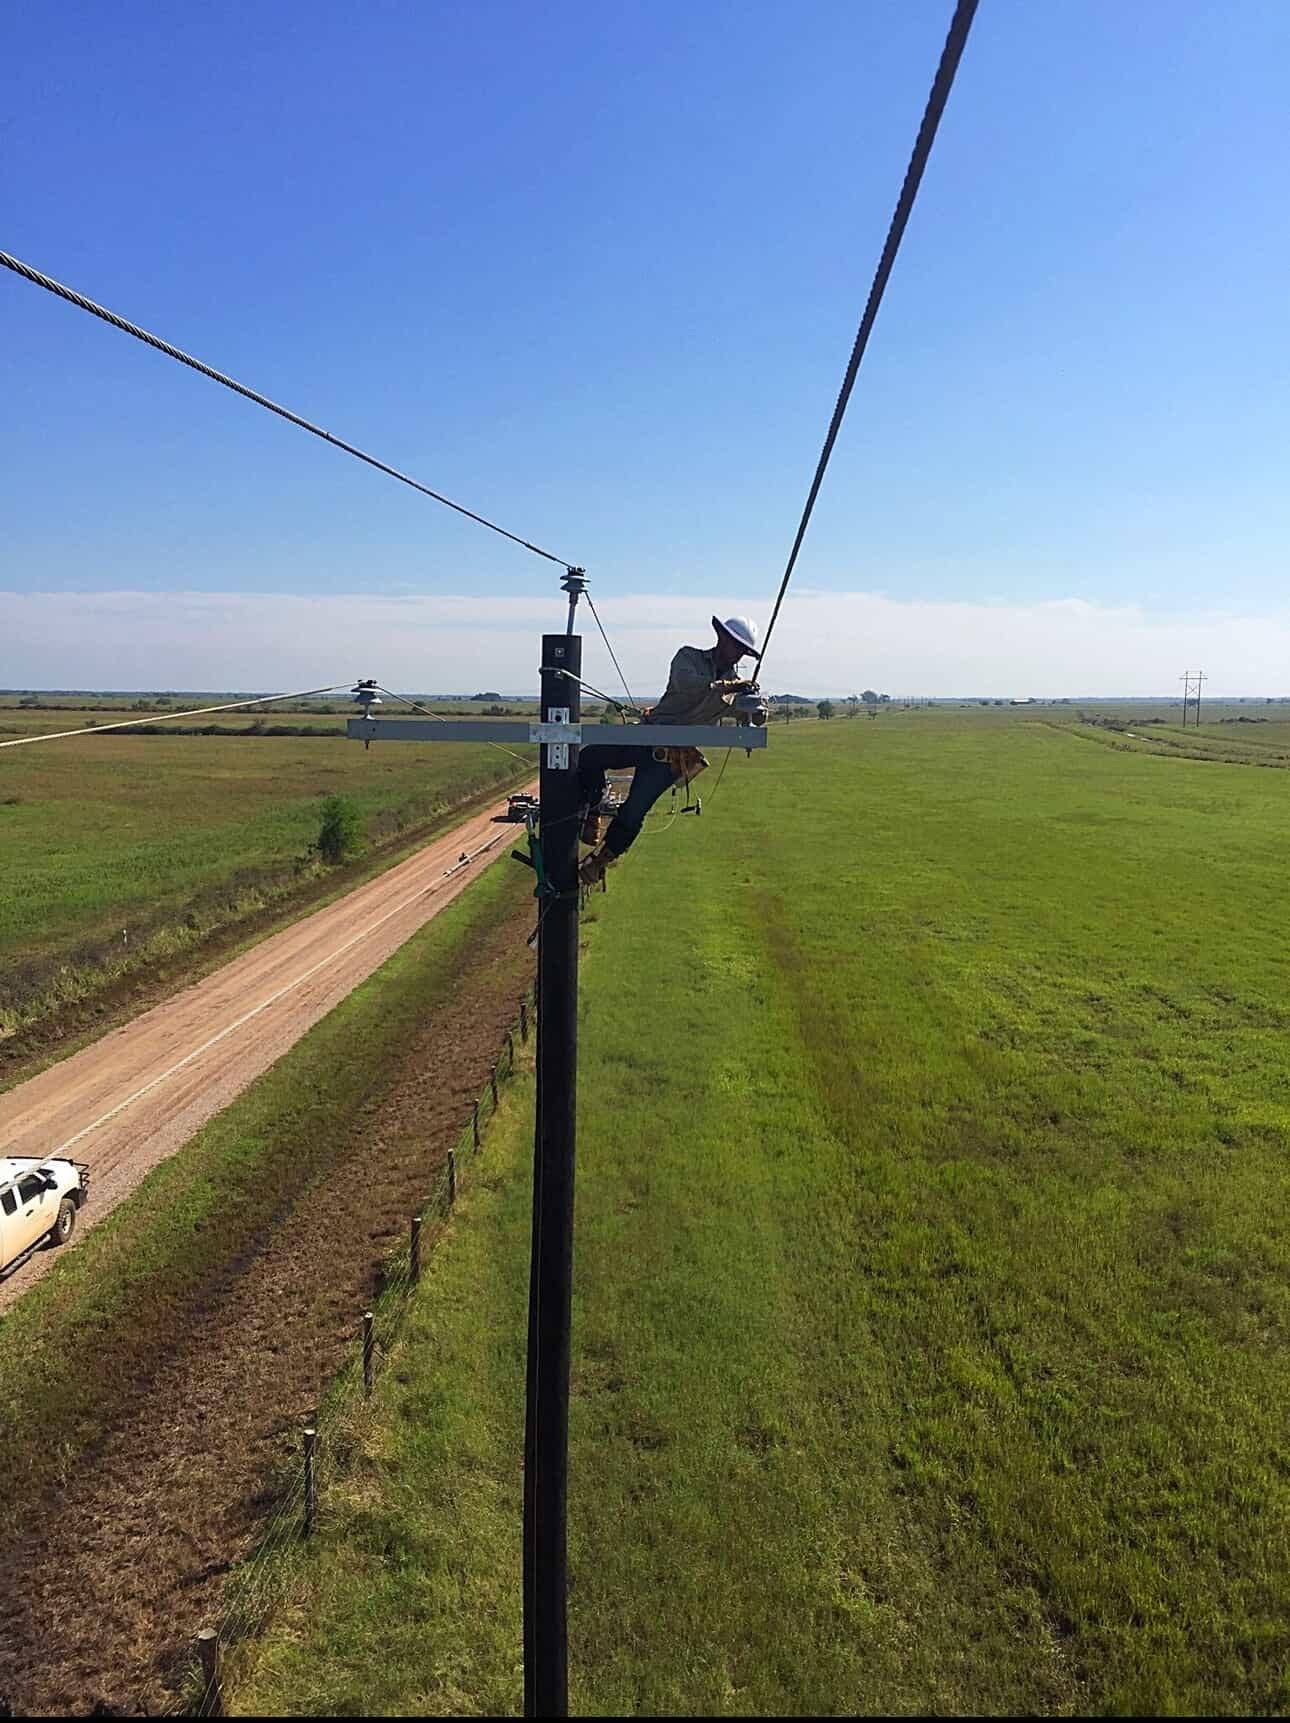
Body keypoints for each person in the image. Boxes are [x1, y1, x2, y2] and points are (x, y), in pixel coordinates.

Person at [576, 615, 760, 886]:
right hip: (647, 733)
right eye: (736, 646)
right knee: (590, 757)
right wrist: (731, 687)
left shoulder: (736, 688)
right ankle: (592, 812)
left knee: (634, 811)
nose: (738, 654)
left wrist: (753, 708)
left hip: (671, 757)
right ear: (721, 638)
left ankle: (600, 862)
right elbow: (689, 685)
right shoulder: (689, 658)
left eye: (743, 650)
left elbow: (745, 716)